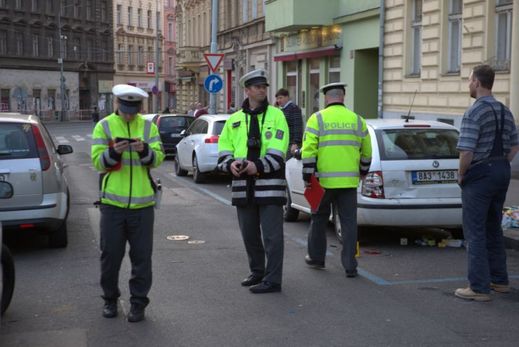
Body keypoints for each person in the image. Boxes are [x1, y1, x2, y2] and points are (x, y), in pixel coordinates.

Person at [91, 84, 165, 322]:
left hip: (142, 207)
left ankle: (138, 304)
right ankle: (110, 300)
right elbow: (97, 162)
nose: (129, 114)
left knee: (142, 259)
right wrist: (115, 152)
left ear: (139, 107)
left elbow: (159, 158)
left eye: (133, 109)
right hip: (112, 205)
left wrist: (144, 151)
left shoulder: (148, 126)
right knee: (110, 256)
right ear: (117, 105)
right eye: (125, 109)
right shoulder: (103, 126)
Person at [217, 69, 289, 294]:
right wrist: (229, 164)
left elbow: (279, 152)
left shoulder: (277, 116)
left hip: (270, 186)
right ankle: (257, 271)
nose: (262, 90)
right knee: (249, 234)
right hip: (242, 186)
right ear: (246, 90)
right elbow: (223, 150)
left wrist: (256, 166)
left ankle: (273, 280)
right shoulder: (235, 119)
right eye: (257, 87)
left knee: (272, 237)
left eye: (264, 87)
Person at [455, 64, 519, 302]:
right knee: (493, 227)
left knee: (475, 230)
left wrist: (462, 174)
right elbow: (514, 145)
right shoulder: (505, 110)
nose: (468, 85)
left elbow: (467, 151)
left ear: (478, 83)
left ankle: (479, 287)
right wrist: (502, 163)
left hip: (480, 174)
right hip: (502, 170)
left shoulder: (474, 112)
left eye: (470, 80)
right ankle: (499, 281)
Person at [301, 82, 372, 278]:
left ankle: (316, 258)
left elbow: (308, 152)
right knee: (349, 224)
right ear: (343, 97)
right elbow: (367, 151)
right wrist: (363, 171)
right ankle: (350, 266)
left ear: (326, 98)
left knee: (319, 219)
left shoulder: (317, 119)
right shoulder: (357, 120)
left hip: (323, 183)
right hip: (349, 183)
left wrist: (307, 176)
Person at [275, 88, 303, 156]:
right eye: (277, 99)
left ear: (287, 97)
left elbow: (297, 126)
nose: (278, 100)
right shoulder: (282, 110)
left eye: (280, 98)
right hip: (283, 142)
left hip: (291, 144)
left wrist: (295, 143)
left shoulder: (293, 108)